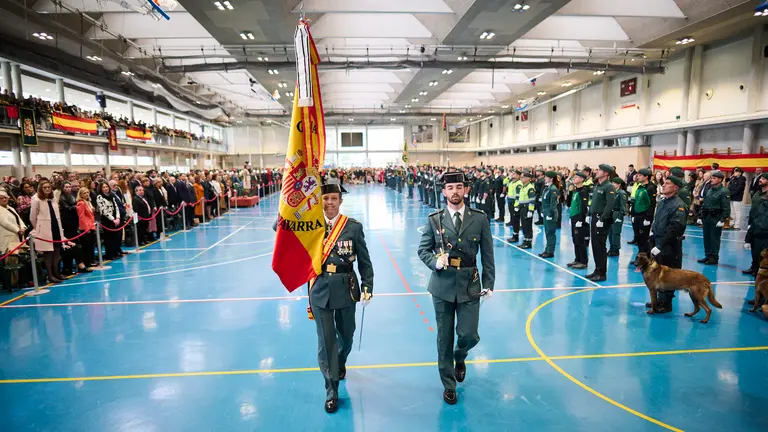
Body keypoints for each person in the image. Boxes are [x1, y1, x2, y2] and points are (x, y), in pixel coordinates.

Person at [418, 171, 494, 406]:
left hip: (470, 284)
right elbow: (423, 250)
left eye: (459, 187)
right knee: (444, 337)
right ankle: (449, 385)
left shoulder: (479, 218)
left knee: (469, 335)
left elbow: (488, 254)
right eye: (450, 188)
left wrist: (489, 283)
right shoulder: (434, 219)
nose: (455, 192)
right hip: (442, 285)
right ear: (444, 192)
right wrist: (434, 262)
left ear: (466, 190)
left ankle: (460, 355)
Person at [308, 182, 373, 413]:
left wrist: (368, 286)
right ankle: (331, 390)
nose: (329, 203)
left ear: (340, 201)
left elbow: (364, 261)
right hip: (320, 288)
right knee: (326, 343)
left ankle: (341, 361)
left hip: (346, 287)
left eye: (333, 199)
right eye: (325, 199)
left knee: (346, 336)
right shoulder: (310, 225)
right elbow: (281, 228)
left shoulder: (353, 227)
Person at [647, 176, 688, 313]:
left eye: (667, 183)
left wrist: (661, 245)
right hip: (658, 241)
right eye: (663, 183)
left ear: (675, 187)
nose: (663, 185)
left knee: (669, 274)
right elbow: (658, 220)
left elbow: (675, 227)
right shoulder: (663, 202)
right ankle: (659, 299)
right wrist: (653, 234)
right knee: (658, 272)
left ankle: (666, 303)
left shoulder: (679, 205)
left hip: (669, 245)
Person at [30, 181, 67, 283]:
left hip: (56, 227)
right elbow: (33, 217)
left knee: (57, 252)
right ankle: (50, 275)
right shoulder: (36, 199)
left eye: (48, 187)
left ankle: (57, 273)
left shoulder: (53, 198)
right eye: (45, 187)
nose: (47, 189)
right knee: (48, 253)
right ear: (40, 189)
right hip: (45, 229)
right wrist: (38, 227)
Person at [586, 164, 617, 282]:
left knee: (600, 245)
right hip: (595, 217)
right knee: (595, 245)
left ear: (606, 173)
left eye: (600, 170)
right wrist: (589, 214)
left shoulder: (609, 187)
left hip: (601, 219)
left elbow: (610, 205)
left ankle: (602, 273)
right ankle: (597, 270)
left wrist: (602, 218)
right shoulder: (598, 185)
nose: (597, 171)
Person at [698, 170, 730, 265]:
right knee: (706, 237)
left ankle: (714, 257)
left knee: (714, 238)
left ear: (720, 180)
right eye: (711, 178)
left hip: (716, 218)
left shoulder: (724, 191)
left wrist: (722, 219)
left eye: (714, 178)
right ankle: (708, 255)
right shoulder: (710, 190)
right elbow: (705, 203)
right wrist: (700, 216)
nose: (712, 180)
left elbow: (726, 207)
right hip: (707, 217)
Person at [744, 173, 768, 276]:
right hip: (754, 223)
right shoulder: (757, 194)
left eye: (763, 178)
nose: (760, 180)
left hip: (764, 228)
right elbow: (752, 210)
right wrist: (750, 223)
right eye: (760, 178)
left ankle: (760, 269)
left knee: (762, 252)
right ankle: (754, 267)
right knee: (754, 249)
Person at [567, 172, 590, 269]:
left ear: (582, 179)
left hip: (579, 218)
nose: (574, 179)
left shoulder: (583, 191)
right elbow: (569, 204)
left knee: (580, 240)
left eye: (576, 177)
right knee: (575, 239)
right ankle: (577, 259)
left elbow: (584, 207)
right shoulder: (575, 191)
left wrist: (581, 219)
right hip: (573, 217)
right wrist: (569, 192)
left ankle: (583, 261)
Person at [539, 171, 559, 258]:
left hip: (550, 213)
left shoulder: (553, 189)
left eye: (546, 177)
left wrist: (550, 214)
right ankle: (547, 249)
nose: (545, 178)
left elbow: (553, 203)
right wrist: (543, 211)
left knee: (551, 232)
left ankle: (550, 251)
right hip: (546, 211)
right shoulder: (547, 188)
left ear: (551, 178)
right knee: (547, 232)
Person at [75, 187, 96, 269]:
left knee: (91, 245)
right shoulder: (81, 203)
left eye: (88, 192)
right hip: (85, 228)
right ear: (80, 195)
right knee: (87, 246)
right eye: (85, 193)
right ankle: (87, 262)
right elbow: (81, 217)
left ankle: (91, 260)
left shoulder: (88, 202)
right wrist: (86, 229)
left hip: (91, 226)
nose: (87, 194)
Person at [608, 177, 628, 257]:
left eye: (614, 183)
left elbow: (623, 206)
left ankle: (616, 249)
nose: (612, 184)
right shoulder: (613, 192)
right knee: (610, 232)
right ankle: (612, 248)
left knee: (616, 232)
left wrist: (620, 216)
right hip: (611, 213)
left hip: (617, 213)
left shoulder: (621, 193)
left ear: (619, 185)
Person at [517, 171, 536, 249]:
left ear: (528, 178)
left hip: (527, 208)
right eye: (521, 177)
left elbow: (532, 200)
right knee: (524, 225)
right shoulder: (523, 186)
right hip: (522, 208)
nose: (521, 178)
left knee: (527, 226)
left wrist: (530, 211)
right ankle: (525, 241)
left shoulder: (530, 187)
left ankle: (528, 242)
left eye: (523, 177)